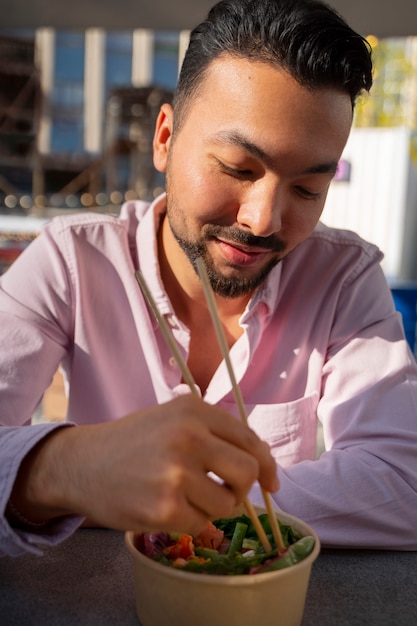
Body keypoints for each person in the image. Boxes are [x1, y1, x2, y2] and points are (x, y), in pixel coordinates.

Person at [1, 0, 417, 559]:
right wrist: (69, 468)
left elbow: (402, 481)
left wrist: (192, 496)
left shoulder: (341, 277)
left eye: (307, 190)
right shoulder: (73, 260)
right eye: (238, 168)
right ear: (165, 139)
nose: (263, 220)